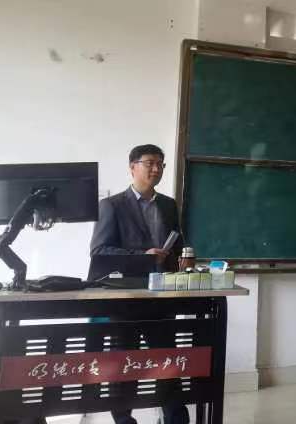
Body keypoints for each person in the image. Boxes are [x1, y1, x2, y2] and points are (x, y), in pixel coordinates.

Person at [90, 144, 188, 424]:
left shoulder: (168, 205)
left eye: (160, 164)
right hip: (126, 299)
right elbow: (99, 251)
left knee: (167, 362)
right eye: (149, 163)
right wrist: (142, 255)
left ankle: (176, 419)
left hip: (162, 296)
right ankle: (123, 420)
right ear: (132, 167)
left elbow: (178, 245)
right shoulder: (112, 205)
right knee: (124, 365)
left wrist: (184, 260)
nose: (156, 169)